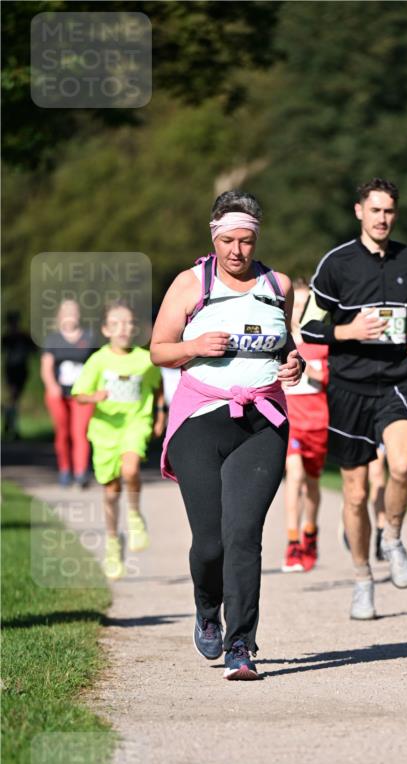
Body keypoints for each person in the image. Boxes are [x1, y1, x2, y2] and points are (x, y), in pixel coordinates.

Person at [150, 190, 302, 680]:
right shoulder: (192, 283)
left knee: (244, 534)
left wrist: (292, 363)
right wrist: (193, 345)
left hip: (263, 423)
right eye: (229, 241)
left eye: (247, 241)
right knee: (211, 542)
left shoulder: (277, 284)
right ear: (214, 237)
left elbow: (286, 345)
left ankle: (241, 645)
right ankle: (204, 606)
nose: (238, 251)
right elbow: (158, 350)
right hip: (201, 419)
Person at [300, 177, 407, 620]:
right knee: (355, 495)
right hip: (350, 386)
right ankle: (362, 579)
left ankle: (391, 536)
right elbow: (308, 327)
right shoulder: (337, 264)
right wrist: (348, 331)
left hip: (398, 379)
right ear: (359, 211)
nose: (382, 218)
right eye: (375, 210)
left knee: (401, 464)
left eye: (389, 211)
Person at [71, 304, 165, 580]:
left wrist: (160, 414)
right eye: (116, 324)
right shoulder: (98, 361)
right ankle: (113, 542)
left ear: (134, 329)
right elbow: (79, 394)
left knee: (130, 469)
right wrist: (94, 397)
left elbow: (157, 385)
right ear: (105, 330)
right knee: (111, 491)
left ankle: (135, 515)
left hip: (135, 423)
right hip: (105, 431)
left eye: (127, 324)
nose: (123, 329)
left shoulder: (145, 359)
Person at [282, 278, 329, 573]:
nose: (299, 310)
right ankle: (292, 541)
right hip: (290, 421)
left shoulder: (321, 344)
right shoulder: (280, 340)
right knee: (294, 475)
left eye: (305, 304)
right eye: (294, 304)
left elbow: (327, 381)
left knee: (311, 485)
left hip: (318, 422)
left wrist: (308, 368)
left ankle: (310, 532)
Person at [40, 299, 96, 486]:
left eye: (74, 311)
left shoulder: (89, 337)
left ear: (79, 314)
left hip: (82, 394)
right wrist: (52, 386)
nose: (70, 314)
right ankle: (65, 470)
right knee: (63, 433)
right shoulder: (53, 339)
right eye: (66, 311)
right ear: (59, 315)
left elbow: (97, 365)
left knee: (80, 432)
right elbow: (46, 367)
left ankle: (81, 472)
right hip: (58, 393)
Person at [2, 311, 36, 439]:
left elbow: (34, 350)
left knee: (14, 399)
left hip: (21, 370)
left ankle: (9, 422)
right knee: (14, 398)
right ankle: (12, 426)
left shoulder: (23, 336)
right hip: (11, 370)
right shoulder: (7, 337)